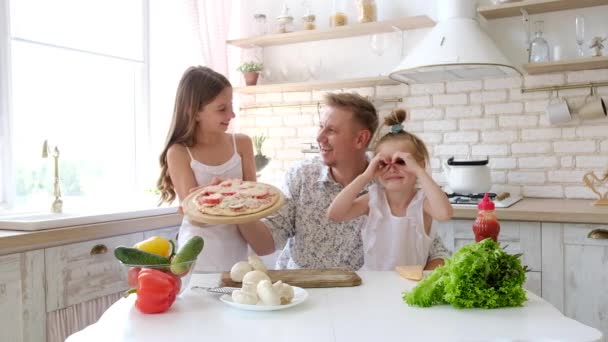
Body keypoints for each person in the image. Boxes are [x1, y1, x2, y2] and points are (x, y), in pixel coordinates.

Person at [239, 93, 450, 270]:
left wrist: (416, 282)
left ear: (360, 139)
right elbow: (266, 245)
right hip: (303, 291)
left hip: (361, 295)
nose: (319, 137)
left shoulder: (389, 183)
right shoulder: (301, 175)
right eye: (320, 127)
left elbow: (430, 247)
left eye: (330, 130)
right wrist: (238, 209)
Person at [326, 109, 453, 270]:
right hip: (373, 285)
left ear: (418, 164)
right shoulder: (373, 200)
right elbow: (334, 214)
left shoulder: (422, 203)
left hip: (411, 287)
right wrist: (366, 175)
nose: (392, 169)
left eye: (401, 162)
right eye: (384, 163)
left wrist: (420, 171)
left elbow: (445, 213)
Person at [157, 66, 256, 272]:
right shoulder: (179, 152)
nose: (232, 114)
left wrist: (214, 197)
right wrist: (218, 197)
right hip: (198, 253)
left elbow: (252, 205)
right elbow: (196, 217)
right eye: (221, 109)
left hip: (238, 249)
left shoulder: (243, 144)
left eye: (231, 105)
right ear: (195, 112)